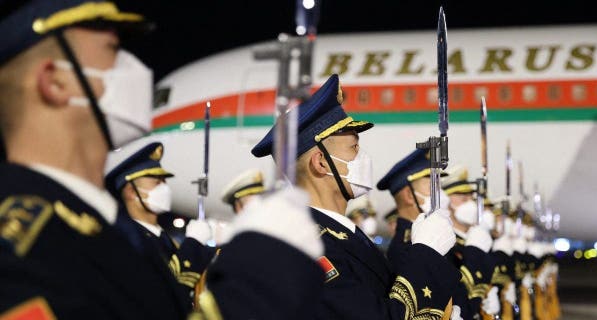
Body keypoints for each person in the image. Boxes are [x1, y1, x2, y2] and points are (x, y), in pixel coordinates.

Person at [0, 1, 324, 319]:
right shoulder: (18, 248)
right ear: (55, 82)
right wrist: (257, 286)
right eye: (113, 51)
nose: (135, 70)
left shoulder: (105, 227)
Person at [251, 74, 459, 319]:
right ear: (321, 163)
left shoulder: (345, 235)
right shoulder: (306, 247)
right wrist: (426, 252)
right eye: (353, 148)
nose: (363, 158)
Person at [105, 141, 215, 306]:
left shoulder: (166, 239)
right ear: (131, 192)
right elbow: (161, 292)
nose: (164, 188)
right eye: (157, 183)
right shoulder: (125, 240)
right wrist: (193, 244)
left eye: (164, 182)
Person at [441, 165, 497, 319]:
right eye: (461, 197)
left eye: (470, 197)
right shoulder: (445, 243)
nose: (469, 202)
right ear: (445, 200)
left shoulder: (476, 238)